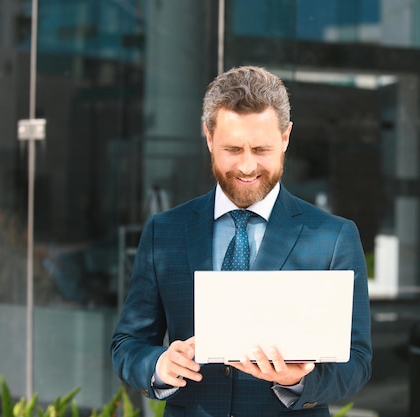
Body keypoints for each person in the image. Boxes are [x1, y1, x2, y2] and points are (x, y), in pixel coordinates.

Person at [111, 66, 372, 417]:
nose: (247, 167)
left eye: (261, 149)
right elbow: (127, 345)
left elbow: (356, 362)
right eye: (233, 149)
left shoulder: (334, 237)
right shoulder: (164, 231)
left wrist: (298, 380)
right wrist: (160, 364)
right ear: (208, 138)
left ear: (286, 138)